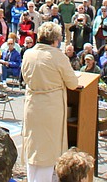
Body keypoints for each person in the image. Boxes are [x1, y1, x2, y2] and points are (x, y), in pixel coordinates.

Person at [22, 21, 83, 182]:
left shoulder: (28, 53)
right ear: (56, 40)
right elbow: (73, 83)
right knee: (47, 151)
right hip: (50, 107)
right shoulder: (58, 56)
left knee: (33, 148)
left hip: (32, 104)